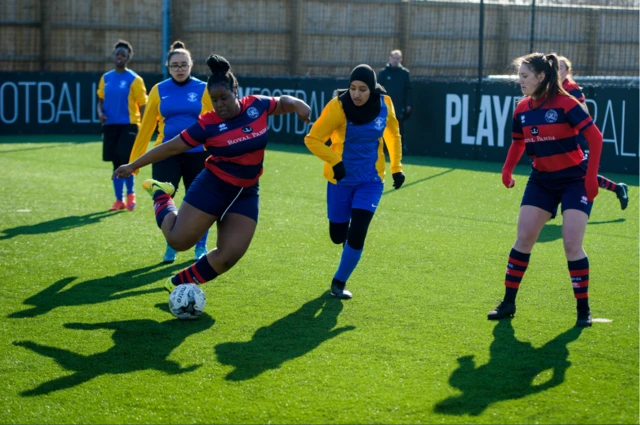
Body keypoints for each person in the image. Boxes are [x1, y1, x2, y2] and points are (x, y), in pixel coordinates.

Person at [113, 55, 311, 293]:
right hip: (214, 186)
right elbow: (171, 146)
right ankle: (160, 194)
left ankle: (177, 283)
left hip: (246, 192)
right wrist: (133, 164)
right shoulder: (207, 123)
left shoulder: (256, 106)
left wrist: (298, 104)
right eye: (214, 100)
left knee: (228, 256)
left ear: (235, 92)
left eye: (224, 98)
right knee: (178, 241)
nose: (219, 105)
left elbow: (282, 102)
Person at [488, 52, 604, 327]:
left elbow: (595, 138)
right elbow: (518, 143)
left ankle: (582, 310)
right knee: (524, 238)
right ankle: (508, 303)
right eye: (519, 76)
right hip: (541, 180)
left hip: (574, 180)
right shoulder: (522, 108)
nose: (520, 81)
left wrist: (590, 178)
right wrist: (507, 169)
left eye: (525, 76)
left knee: (571, 244)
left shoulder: (567, 103)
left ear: (541, 77)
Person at [304, 64, 405, 299]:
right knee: (338, 236)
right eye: (352, 88)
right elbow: (312, 139)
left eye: (362, 89)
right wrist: (335, 162)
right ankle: (345, 240)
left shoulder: (384, 104)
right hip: (340, 181)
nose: (356, 94)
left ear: (372, 89)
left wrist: (397, 167)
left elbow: (393, 134)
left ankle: (339, 282)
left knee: (358, 232)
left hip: (371, 181)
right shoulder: (338, 107)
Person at [129, 41, 214, 263]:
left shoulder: (203, 88)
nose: (180, 69)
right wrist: (134, 163)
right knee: (164, 199)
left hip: (198, 153)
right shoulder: (158, 89)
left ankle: (201, 247)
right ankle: (171, 244)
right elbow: (146, 127)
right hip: (166, 152)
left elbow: (214, 121)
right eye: (175, 65)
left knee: (201, 202)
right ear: (168, 66)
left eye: (183, 64)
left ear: (191, 65)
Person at [558, 55, 629, 210]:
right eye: (555, 67)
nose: (557, 70)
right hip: (565, 136)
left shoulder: (570, 88)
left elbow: (582, 113)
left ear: (568, 71)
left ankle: (616, 189)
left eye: (561, 67)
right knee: (570, 171)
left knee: (580, 172)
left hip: (577, 136)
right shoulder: (556, 87)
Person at [97, 39, 147, 211]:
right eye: (117, 54)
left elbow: (143, 104)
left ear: (128, 58)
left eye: (123, 55)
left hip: (129, 126)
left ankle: (131, 194)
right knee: (115, 162)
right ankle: (119, 200)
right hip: (110, 125)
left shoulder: (135, 80)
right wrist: (100, 113)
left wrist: (145, 126)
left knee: (125, 160)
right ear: (113, 56)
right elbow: (100, 99)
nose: (119, 57)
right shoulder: (106, 78)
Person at [378, 50, 412, 153]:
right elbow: (377, 89)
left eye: (398, 58)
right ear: (390, 58)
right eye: (394, 58)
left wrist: (408, 104)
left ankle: (399, 149)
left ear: (401, 59)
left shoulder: (404, 73)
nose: (396, 60)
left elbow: (408, 89)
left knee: (398, 128)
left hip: (398, 105)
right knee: (383, 127)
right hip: (384, 106)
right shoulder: (383, 73)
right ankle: (383, 149)